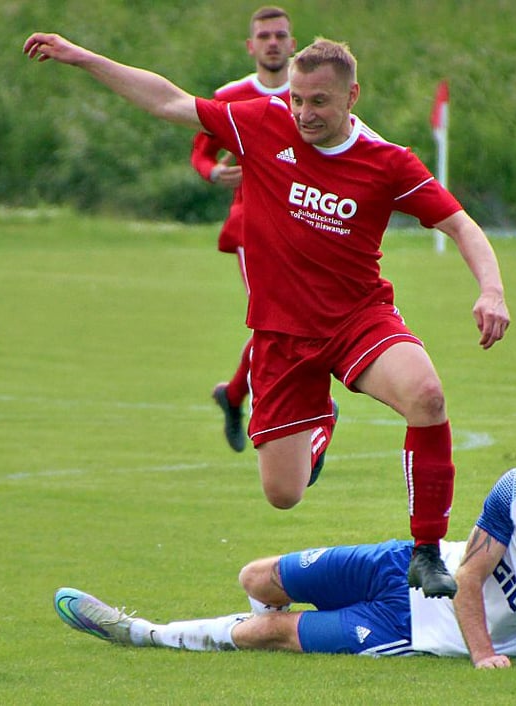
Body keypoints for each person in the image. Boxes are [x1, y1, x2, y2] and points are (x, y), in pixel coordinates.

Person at [23, 30, 511, 596]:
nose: (303, 112)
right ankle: (320, 422)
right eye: (298, 99)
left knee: (427, 397)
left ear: (352, 97)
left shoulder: (387, 162)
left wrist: (491, 290)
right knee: (284, 494)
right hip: (280, 338)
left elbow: (460, 225)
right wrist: (82, 57)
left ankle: (426, 552)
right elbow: (168, 101)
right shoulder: (262, 122)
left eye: (319, 102)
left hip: (359, 320)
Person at [53, 430, 516, 668]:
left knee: (276, 634)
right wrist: (487, 655)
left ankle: (140, 632)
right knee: (259, 577)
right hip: (411, 565)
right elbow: (470, 576)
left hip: (421, 628)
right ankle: (246, 623)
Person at [189, 7, 301, 456]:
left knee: (290, 318)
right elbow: (200, 154)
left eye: (280, 35)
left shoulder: (310, 94)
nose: (272, 43)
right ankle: (310, 408)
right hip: (251, 228)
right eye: (263, 36)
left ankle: (235, 395)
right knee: (277, 317)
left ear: (294, 44)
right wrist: (214, 173)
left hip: (304, 226)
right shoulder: (231, 96)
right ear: (250, 46)